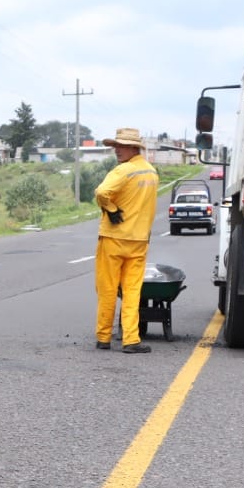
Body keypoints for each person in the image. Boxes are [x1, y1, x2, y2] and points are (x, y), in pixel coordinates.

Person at [92, 128, 159, 353]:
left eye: (120, 146)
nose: (116, 150)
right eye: (115, 146)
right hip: (139, 241)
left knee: (108, 289)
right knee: (132, 292)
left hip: (113, 239)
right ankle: (131, 340)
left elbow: (101, 192)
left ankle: (103, 337)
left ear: (134, 148)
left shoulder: (123, 171)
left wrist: (110, 208)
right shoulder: (151, 173)